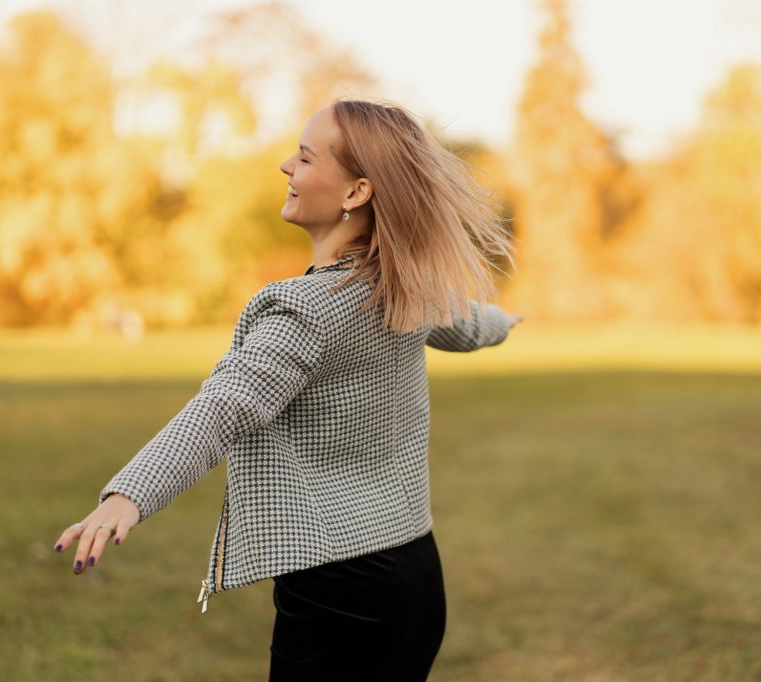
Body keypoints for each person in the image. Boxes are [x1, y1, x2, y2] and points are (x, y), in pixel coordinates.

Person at [53, 99, 521, 681]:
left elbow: (222, 408)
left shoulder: (306, 311)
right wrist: (509, 322)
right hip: (414, 577)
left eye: (303, 157)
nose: (285, 167)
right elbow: (471, 324)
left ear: (356, 193)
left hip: (340, 595)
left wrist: (128, 495)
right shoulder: (406, 289)